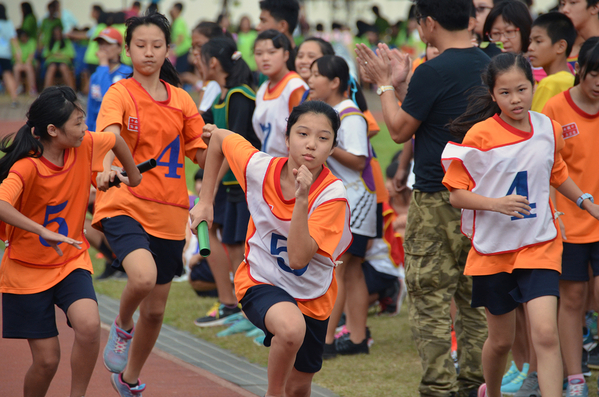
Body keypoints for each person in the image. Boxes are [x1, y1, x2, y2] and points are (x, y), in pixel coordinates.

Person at [443, 51, 599, 397]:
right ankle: (492, 392)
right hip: (493, 251)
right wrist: (495, 205)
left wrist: (586, 203)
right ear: (492, 94)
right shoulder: (479, 136)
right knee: (501, 341)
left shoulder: (548, 128)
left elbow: (557, 173)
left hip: (539, 243)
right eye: (505, 93)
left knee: (545, 333)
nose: (516, 99)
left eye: (522, 89)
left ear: (533, 86)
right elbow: (456, 195)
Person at [355, 0, 489, 395]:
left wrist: (382, 84)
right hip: (483, 202)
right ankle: (475, 383)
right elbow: (429, 114)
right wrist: (402, 85)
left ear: (429, 23)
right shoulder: (493, 65)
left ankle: (437, 387)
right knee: (474, 301)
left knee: (430, 300)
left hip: (436, 197)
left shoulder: (433, 70)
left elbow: (397, 129)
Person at [190, 100, 352, 397]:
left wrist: (302, 200)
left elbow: (299, 257)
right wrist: (205, 201)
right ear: (286, 137)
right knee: (291, 331)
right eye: (302, 134)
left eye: (323, 138)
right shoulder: (258, 167)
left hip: (312, 295)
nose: (311, 144)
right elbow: (220, 139)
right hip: (260, 279)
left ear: (332, 148)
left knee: (300, 387)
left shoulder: (333, 195)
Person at [92, 12, 207, 396]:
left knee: (156, 310)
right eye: (140, 45)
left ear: (168, 50)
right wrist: (106, 171)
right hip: (125, 202)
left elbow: (201, 154)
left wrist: (222, 138)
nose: (149, 52)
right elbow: (108, 135)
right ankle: (122, 324)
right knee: (141, 277)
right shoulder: (120, 93)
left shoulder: (182, 99)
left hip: (170, 213)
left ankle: (128, 379)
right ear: (127, 49)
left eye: (157, 45)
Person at [0, 86, 141, 397]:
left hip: (69, 261)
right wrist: (41, 230)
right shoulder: (27, 167)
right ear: (53, 130)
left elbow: (115, 139)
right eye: (77, 123)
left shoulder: (84, 145)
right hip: (26, 270)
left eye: (83, 121)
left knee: (89, 326)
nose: (84, 129)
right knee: (47, 361)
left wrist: (133, 175)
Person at [307, 55, 376, 357]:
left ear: (335, 82)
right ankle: (357, 339)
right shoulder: (336, 112)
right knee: (350, 272)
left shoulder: (349, 115)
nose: (310, 81)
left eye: (315, 75)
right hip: (348, 198)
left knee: (339, 270)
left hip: (356, 199)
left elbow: (359, 160)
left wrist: (327, 143)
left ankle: (327, 342)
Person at [542, 37, 599, 397]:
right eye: (594, 75)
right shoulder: (555, 108)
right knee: (573, 299)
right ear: (580, 72)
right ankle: (574, 377)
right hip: (570, 221)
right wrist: (554, 214)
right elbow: (547, 168)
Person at [193, 36, 260, 326]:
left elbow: (232, 144)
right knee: (232, 245)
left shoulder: (240, 95)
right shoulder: (222, 96)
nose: (194, 60)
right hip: (230, 184)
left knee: (244, 247)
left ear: (214, 63)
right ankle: (237, 305)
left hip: (243, 184)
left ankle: (249, 309)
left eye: (199, 55)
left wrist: (211, 186)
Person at [252, 29, 307, 158]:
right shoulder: (262, 89)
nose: (265, 58)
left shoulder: (295, 86)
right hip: (269, 163)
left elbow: (303, 132)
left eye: (272, 52)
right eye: (259, 53)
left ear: (286, 55)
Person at [529, 12, 577, 112]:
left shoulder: (549, 84)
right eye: (530, 42)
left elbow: (537, 125)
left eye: (538, 41)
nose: (530, 48)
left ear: (561, 46)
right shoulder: (573, 80)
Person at [86, 27, 132, 132]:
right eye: (101, 44)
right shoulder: (95, 75)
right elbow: (91, 108)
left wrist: (103, 65)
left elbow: (109, 96)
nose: (103, 48)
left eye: (108, 44)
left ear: (120, 48)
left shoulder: (126, 72)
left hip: (116, 131)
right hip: (96, 132)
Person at [190, 21, 227, 113]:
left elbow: (201, 121)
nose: (195, 52)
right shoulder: (208, 82)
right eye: (193, 47)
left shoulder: (214, 84)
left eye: (199, 46)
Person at [257, 0, 300, 76]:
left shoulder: (300, 66)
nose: (258, 27)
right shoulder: (266, 68)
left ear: (282, 26)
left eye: (263, 21)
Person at [43, 24, 75, 90]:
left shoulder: (67, 42)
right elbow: (45, 55)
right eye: (55, 34)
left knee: (63, 67)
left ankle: (71, 90)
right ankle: (46, 91)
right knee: (52, 67)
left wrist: (61, 56)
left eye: (58, 33)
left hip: (64, 62)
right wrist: (54, 56)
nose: (57, 35)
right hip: (52, 62)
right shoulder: (50, 43)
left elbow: (71, 56)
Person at [0, 3, 19, 108]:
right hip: (5, 53)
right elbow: (13, 39)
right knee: (8, 75)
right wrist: (17, 52)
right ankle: (14, 99)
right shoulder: (8, 23)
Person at [169, 3, 192, 77]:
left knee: (180, 74)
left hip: (183, 51)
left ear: (177, 10)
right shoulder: (176, 21)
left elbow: (180, 37)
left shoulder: (179, 21)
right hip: (180, 52)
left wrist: (172, 48)